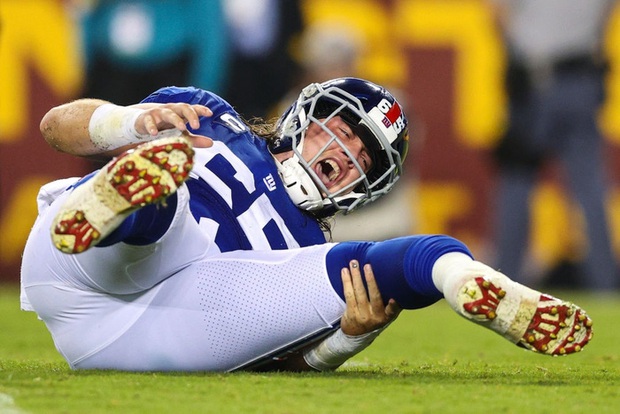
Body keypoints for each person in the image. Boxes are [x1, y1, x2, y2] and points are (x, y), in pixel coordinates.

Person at [21, 78, 592, 372]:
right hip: (78, 259)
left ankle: (459, 278)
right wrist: (131, 122)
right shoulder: (210, 117)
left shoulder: (311, 247)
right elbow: (56, 126)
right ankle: (117, 202)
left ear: (367, 186)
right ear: (305, 118)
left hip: (157, 331)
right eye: (339, 132)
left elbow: (270, 362)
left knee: (381, 265)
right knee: (166, 204)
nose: (342, 155)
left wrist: (345, 338)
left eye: (361, 159)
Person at [490, 0, 619, 290]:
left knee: (517, 184)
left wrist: (515, 51)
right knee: (590, 189)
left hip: (533, 78)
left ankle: (502, 284)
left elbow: (498, 11)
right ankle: (606, 287)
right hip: (581, 75)